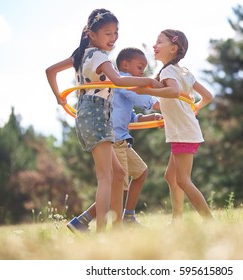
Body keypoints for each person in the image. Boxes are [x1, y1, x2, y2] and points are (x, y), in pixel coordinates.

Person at [45, 8, 162, 233]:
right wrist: (148, 81)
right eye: (108, 33)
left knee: (118, 174)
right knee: (106, 177)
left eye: (116, 32)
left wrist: (59, 97)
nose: (113, 38)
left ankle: (109, 228)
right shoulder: (98, 56)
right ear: (92, 34)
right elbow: (118, 80)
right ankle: (102, 234)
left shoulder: (79, 56)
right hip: (97, 115)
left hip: (89, 115)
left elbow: (50, 71)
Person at [132, 29, 214, 223]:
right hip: (186, 129)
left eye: (159, 42)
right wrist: (194, 109)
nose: (154, 45)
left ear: (173, 48)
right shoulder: (184, 72)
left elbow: (174, 92)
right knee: (171, 176)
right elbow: (208, 96)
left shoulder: (168, 72)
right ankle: (177, 220)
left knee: (183, 180)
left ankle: (209, 221)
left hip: (182, 132)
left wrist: (138, 88)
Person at [113, 47, 162, 225]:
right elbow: (141, 98)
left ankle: (128, 216)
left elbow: (132, 118)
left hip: (122, 141)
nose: (142, 73)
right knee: (119, 186)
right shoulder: (122, 81)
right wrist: (159, 104)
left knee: (141, 173)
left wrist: (152, 117)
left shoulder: (124, 86)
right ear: (125, 64)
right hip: (114, 140)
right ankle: (86, 219)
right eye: (140, 67)